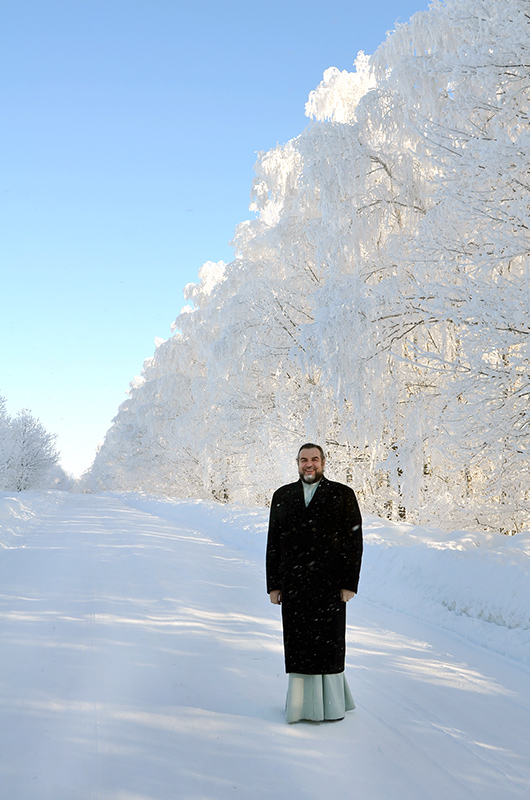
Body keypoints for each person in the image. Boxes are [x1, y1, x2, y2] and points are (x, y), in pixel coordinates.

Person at [266, 443, 363, 723]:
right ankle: (299, 706)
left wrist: (349, 583)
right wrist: (274, 584)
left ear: (323, 462)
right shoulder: (282, 495)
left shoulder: (343, 495)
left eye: (315, 459)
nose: (309, 464)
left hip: (329, 584)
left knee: (328, 645)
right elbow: (274, 543)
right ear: (297, 463)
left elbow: (353, 542)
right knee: (298, 645)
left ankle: (331, 707)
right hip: (294, 584)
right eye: (304, 460)